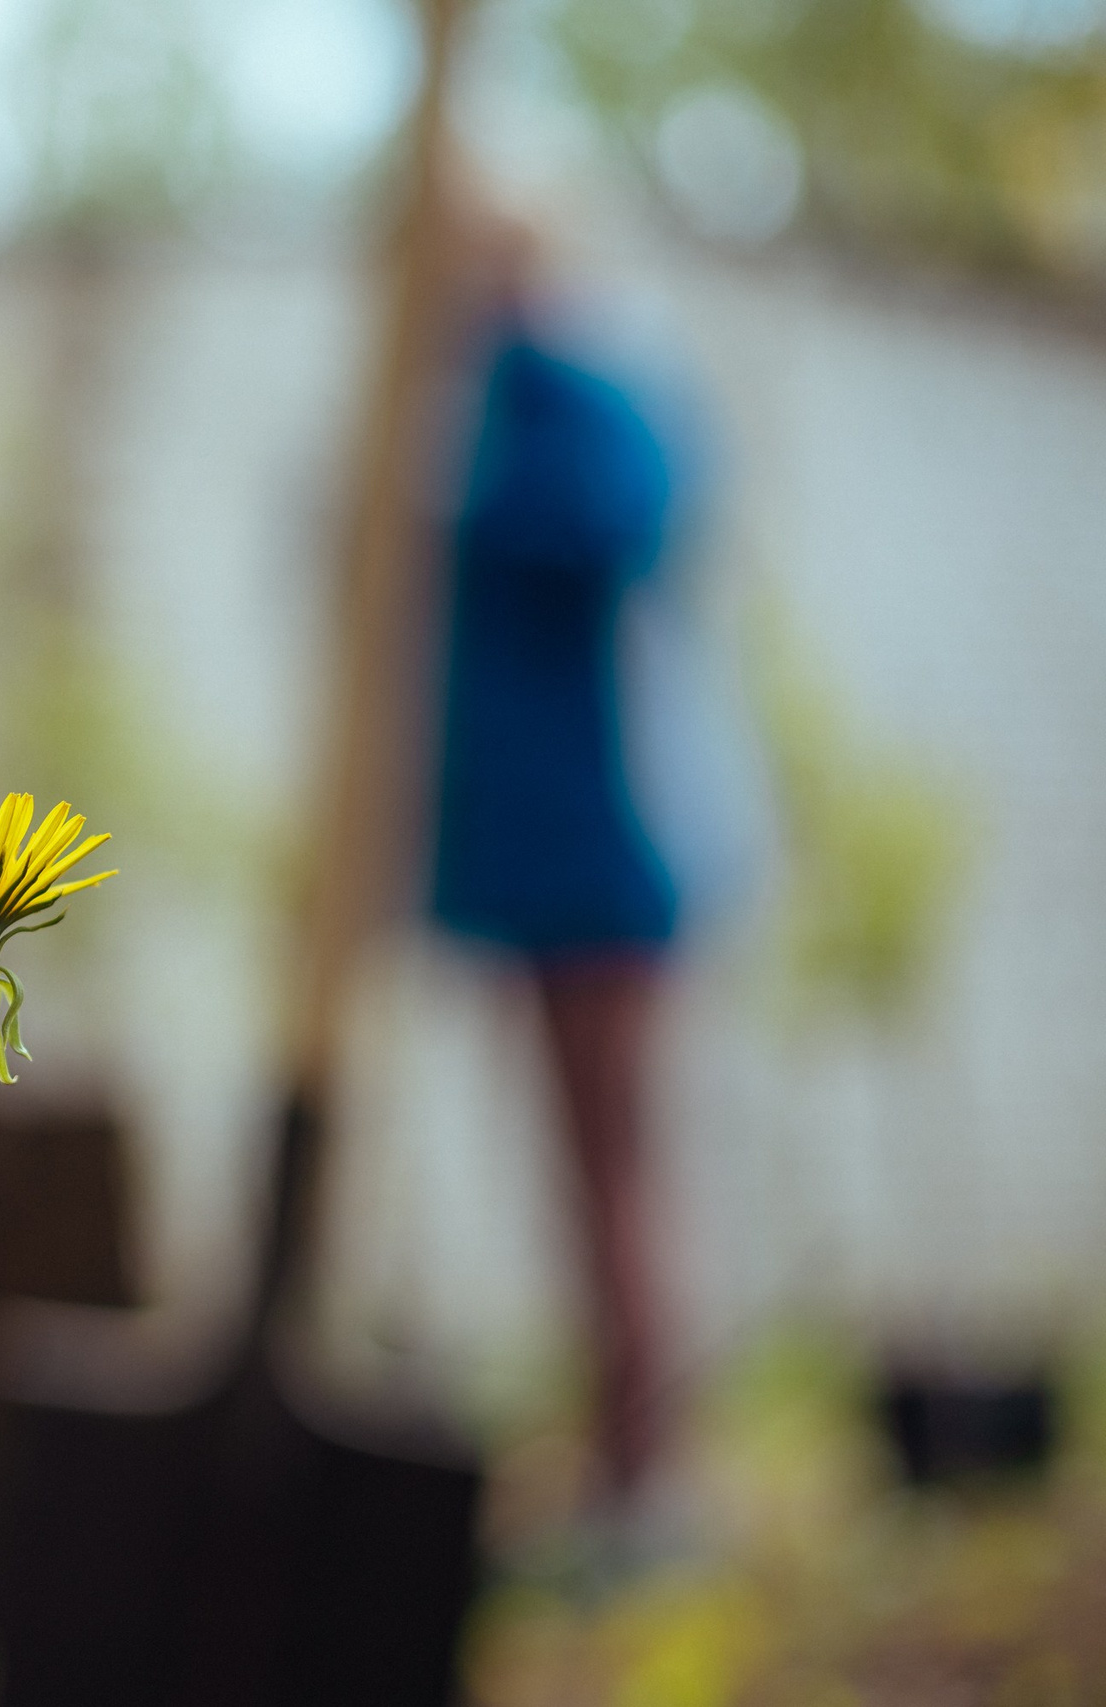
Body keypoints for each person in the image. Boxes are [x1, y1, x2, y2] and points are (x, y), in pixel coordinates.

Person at [428, 227, 687, 1511]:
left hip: (604, 865)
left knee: (613, 1172)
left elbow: (619, 529)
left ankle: (647, 1471)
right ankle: (613, 1454)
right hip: (533, 871)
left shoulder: (577, 407)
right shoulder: (477, 419)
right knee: (575, 1174)